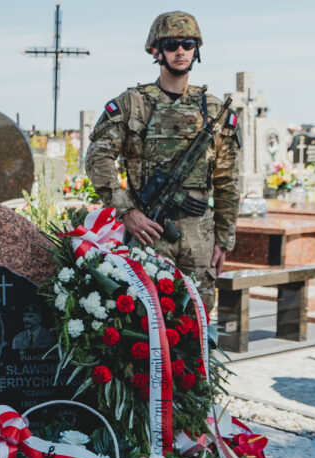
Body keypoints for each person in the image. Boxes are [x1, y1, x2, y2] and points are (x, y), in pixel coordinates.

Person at [85, 11, 240, 310]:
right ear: (156, 51)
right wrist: (126, 211)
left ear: (196, 50)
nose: (180, 51)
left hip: (199, 240)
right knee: (145, 320)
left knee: (197, 322)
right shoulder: (132, 104)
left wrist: (223, 240)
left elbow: (227, 181)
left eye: (188, 44)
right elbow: (97, 158)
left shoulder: (215, 111)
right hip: (149, 232)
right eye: (171, 44)